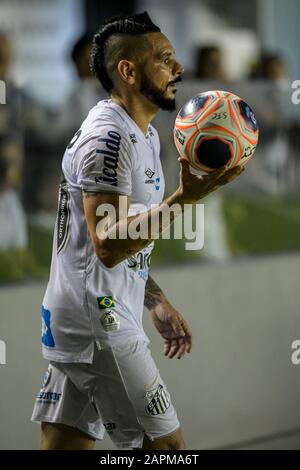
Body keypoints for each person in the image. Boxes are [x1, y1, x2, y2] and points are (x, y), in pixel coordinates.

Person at [31, 12, 243, 450]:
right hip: (100, 326)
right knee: (169, 453)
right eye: (165, 59)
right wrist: (185, 198)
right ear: (127, 70)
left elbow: (115, 243)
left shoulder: (141, 134)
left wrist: (154, 297)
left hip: (86, 316)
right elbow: (108, 245)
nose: (179, 69)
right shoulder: (108, 138)